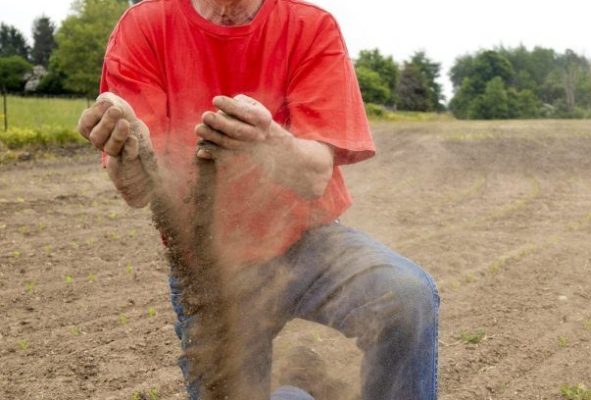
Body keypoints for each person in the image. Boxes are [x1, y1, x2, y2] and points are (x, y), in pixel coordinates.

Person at [74, 0, 439, 399]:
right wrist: (125, 150)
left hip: (306, 242)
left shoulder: (309, 27)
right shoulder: (146, 26)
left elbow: (316, 175)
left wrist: (268, 143)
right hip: (209, 269)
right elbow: (140, 190)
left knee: (405, 297)